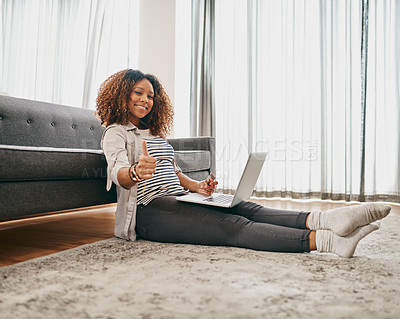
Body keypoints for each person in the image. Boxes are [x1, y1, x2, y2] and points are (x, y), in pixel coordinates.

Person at [96, 69, 391, 258]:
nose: (146, 100)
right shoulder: (116, 132)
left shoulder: (154, 134)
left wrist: (198, 186)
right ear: (123, 95)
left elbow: (173, 173)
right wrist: (134, 171)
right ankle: (327, 242)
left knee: (246, 207)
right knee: (235, 225)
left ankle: (328, 220)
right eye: (139, 93)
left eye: (151, 96)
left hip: (178, 197)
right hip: (150, 212)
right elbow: (117, 172)